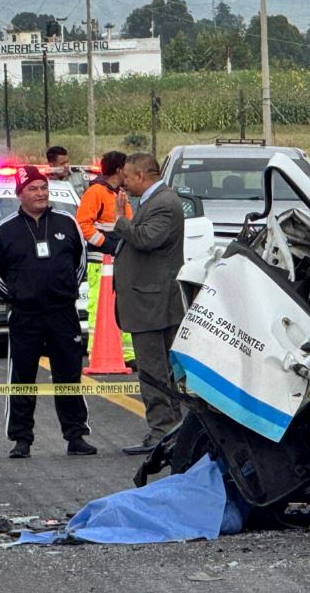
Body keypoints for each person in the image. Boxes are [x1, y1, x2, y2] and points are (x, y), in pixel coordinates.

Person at [0, 165, 97, 458]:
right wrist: (17, 297)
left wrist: (64, 293)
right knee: (22, 377)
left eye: (43, 188)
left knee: (69, 376)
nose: (40, 194)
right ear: (20, 193)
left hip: (62, 313)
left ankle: (76, 436)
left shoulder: (66, 223)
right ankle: (21, 439)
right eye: (33, 189)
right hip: (25, 316)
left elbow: (80, 264)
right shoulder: (5, 230)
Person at [113, 152, 184, 454]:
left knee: (154, 371)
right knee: (160, 370)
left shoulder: (164, 204)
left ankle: (163, 432)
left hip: (153, 305)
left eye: (127, 177)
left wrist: (120, 221)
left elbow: (145, 239)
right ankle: (171, 432)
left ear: (141, 176)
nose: (124, 183)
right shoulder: (155, 202)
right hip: (150, 302)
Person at [75, 151, 136, 367]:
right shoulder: (97, 192)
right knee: (98, 306)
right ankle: (97, 350)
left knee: (123, 305)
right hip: (100, 262)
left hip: (119, 259)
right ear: (119, 170)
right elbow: (83, 225)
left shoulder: (116, 193)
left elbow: (128, 223)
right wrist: (106, 244)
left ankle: (126, 355)